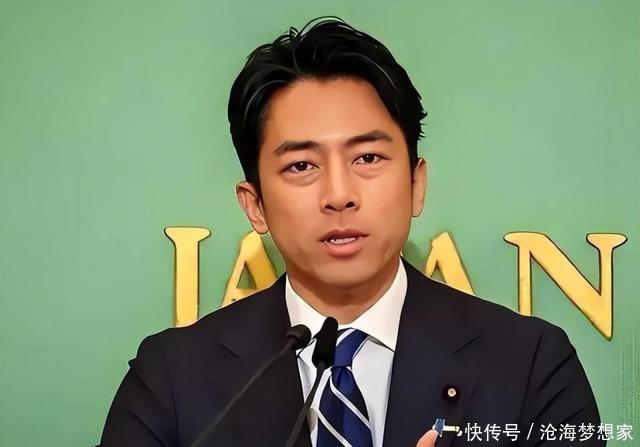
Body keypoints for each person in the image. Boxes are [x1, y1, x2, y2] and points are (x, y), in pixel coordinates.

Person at [100, 17, 604, 447]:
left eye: (367, 158)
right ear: (255, 206)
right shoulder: (170, 378)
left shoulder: (530, 364)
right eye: (301, 165)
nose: (339, 194)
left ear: (416, 185)